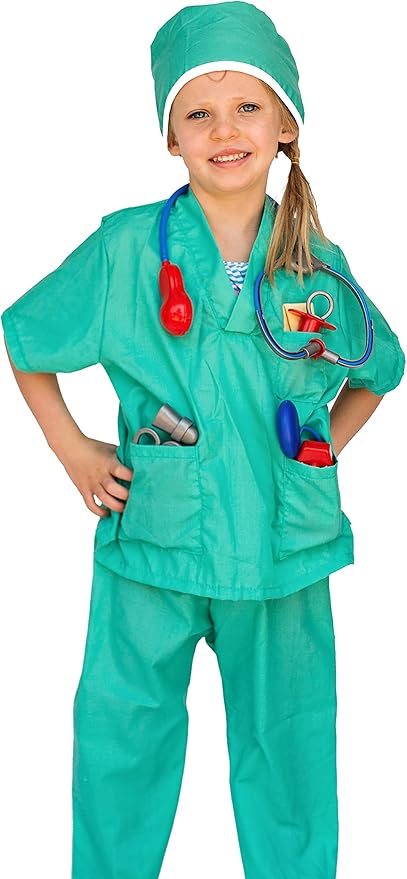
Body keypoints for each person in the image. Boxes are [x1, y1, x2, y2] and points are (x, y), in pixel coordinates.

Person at [1, 2, 405, 877]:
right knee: (122, 735)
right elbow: (26, 338)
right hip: (156, 540)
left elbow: (380, 368)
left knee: (290, 748)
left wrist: (317, 452)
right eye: (198, 113)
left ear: (285, 123)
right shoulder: (125, 250)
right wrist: (73, 450)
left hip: (282, 548)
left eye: (247, 106)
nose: (225, 131)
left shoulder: (315, 263)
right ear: (170, 137)